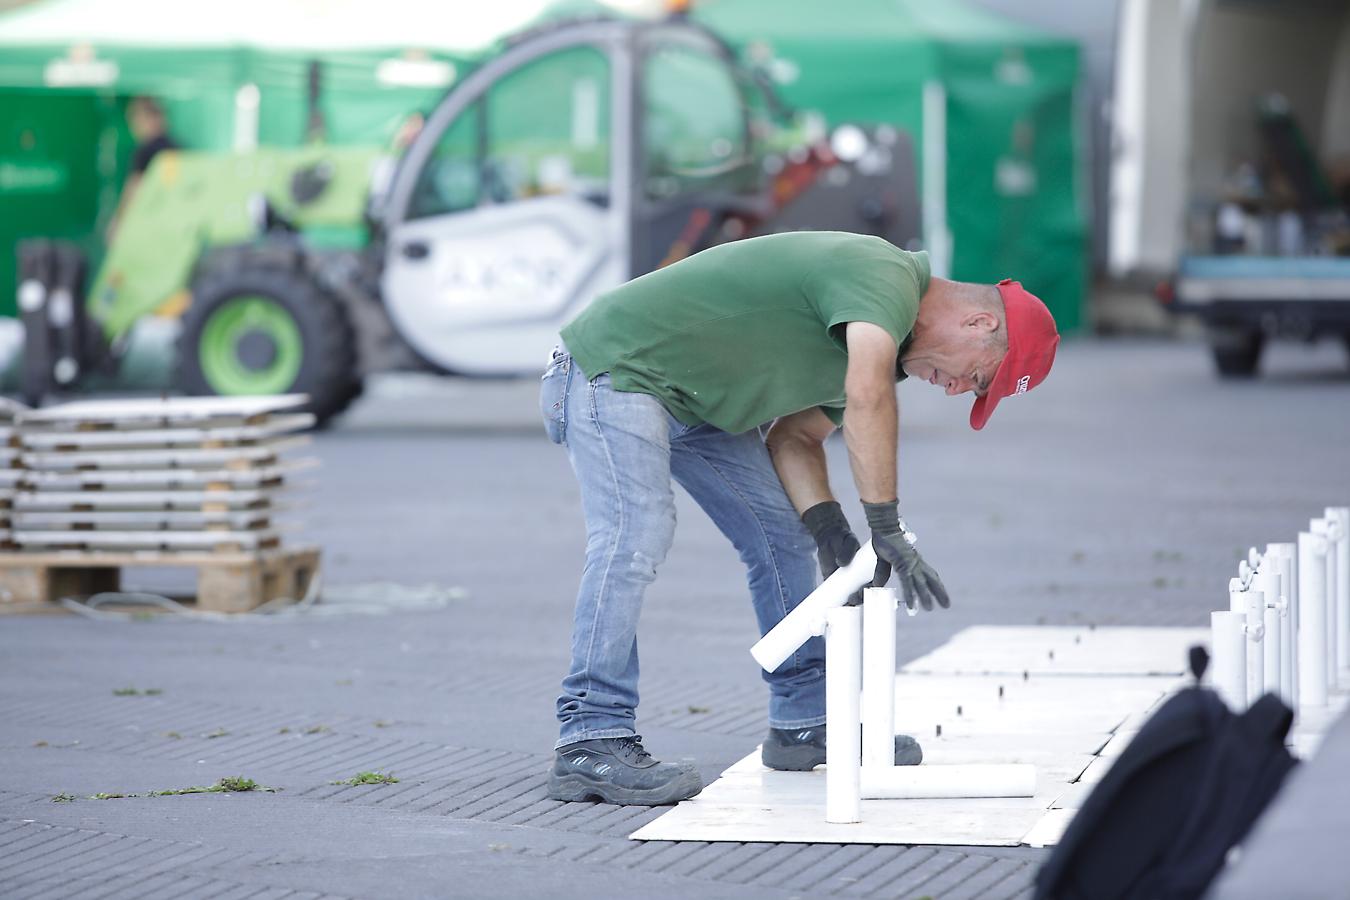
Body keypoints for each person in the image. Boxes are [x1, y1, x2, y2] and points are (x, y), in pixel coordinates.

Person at [539, 230, 1059, 806]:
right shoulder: (884, 278)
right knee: (636, 533)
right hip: (614, 368)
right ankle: (589, 738)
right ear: (980, 325)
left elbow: (797, 437)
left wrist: (830, 529)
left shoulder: (882, 340)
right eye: (980, 378)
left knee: (783, 535)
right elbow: (867, 398)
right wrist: (884, 524)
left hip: (689, 400)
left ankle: (804, 722)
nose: (961, 391)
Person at [106, 96, 180, 242]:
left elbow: (134, 188)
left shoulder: (145, 151)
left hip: (149, 222)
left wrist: (118, 222)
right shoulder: (178, 147)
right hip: (171, 221)